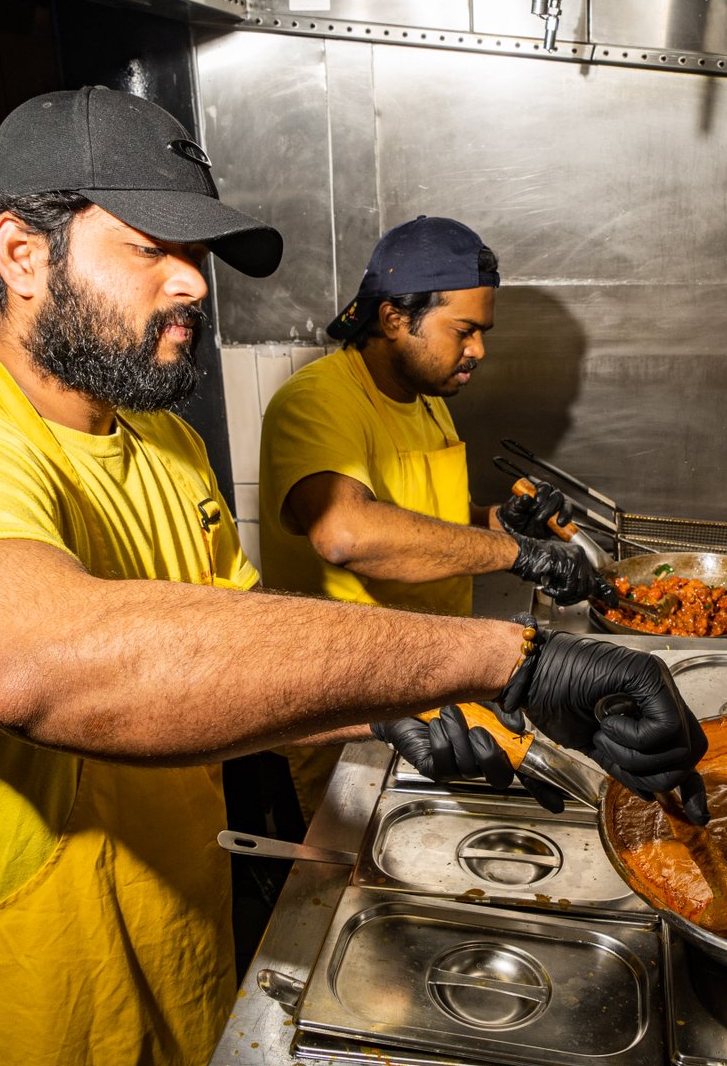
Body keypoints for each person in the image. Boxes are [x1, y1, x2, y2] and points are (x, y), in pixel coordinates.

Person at [0, 86, 707, 1066]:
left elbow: (233, 637)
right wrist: (508, 660)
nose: (193, 283)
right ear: (23, 255)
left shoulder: (165, 445)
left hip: (178, 938)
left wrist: (387, 708)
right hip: (22, 1000)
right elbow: (30, 666)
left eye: (197, 254)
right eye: (151, 248)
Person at [258, 214, 606, 817]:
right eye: (464, 331)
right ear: (395, 318)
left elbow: (423, 519)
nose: (478, 351)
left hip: (430, 679)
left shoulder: (425, 399)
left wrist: (500, 522)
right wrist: (518, 555)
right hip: (351, 710)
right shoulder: (317, 400)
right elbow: (347, 533)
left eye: (482, 333)